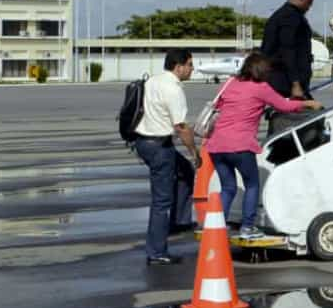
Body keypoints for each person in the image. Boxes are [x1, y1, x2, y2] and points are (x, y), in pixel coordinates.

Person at [204, 52, 322, 237]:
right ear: (263, 70)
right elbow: (283, 105)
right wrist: (308, 103)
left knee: (228, 188)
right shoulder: (261, 88)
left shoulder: (231, 83)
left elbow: (221, 106)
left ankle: (216, 226)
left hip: (216, 145)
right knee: (252, 185)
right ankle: (247, 227)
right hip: (240, 145)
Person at [132, 48, 199, 265]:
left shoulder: (152, 80)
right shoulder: (173, 89)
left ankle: (179, 221)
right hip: (159, 146)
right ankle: (157, 251)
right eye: (190, 64)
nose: (192, 69)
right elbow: (181, 127)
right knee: (161, 201)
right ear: (178, 67)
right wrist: (194, 153)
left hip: (143, 142)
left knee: (184, 171)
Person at [261, 0, 321, 154]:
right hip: (285, 83)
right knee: (299, 122)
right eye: (308, 4)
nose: (308, 9)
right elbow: (288, 50)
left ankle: (281, 153)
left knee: (288, 122)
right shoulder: (290, 17)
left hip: (281, 80)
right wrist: (295, 82)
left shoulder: (279, 16)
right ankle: (284, 155)